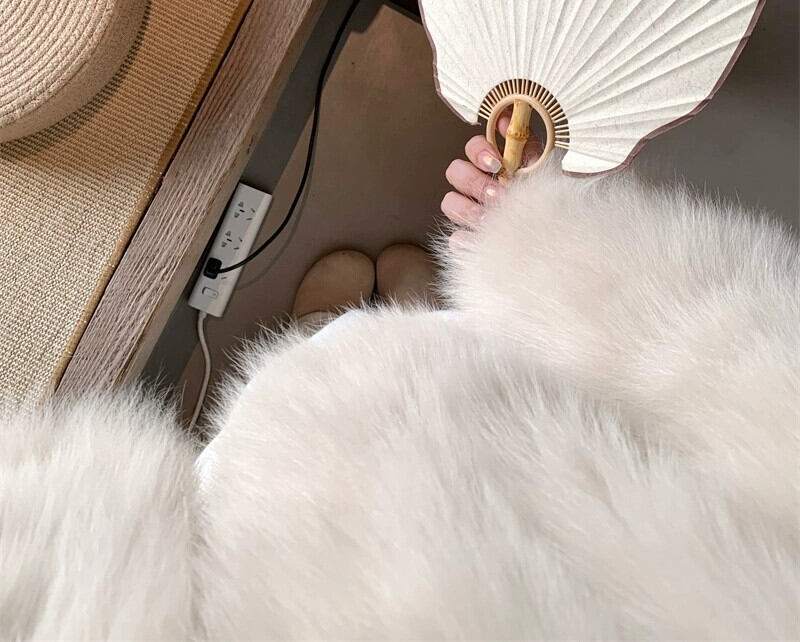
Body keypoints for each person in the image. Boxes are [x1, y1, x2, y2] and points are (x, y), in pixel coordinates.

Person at [1, 127, 797, 641]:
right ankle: (371, 330)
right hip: (519, 448)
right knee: (461, 375)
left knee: (302, 407)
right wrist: (550, 243)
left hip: (275, 553)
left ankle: (332, 336)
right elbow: (761, 409)